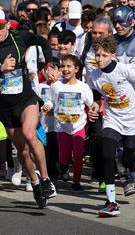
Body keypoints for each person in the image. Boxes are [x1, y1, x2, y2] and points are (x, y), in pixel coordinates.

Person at [0, 8, 55, 208]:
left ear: (6, 25)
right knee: (22, 150)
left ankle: (46, 179)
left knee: (30, 135)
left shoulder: (19, 37)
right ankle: (35, 182)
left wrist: (47, 63)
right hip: (6, 105)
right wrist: (0, 69)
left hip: (26, 98)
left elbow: (44, 42)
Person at [85, 35, 135, 218]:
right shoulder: (94, 76)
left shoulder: (125, 70)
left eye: (104, 55)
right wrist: (94, 107)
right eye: (97, 55)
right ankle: (112, 202)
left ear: (112, 55)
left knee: (127, 159)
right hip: (112, 119)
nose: (99, 59)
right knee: (106, 154)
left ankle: (130, 165)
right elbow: (97, 97)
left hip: (133, 119)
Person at [44, 53, 94, 191]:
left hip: (78, 125)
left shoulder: (83, 87)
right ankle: (63, 166)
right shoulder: (56, 86)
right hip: (61, 126)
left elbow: (92, 104)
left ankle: (76, 182)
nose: (65, 69)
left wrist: (94, 110)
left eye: (69, 66)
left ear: (76, 69)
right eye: (62, 66)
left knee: (78, 155)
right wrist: (48, 105)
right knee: (65, 156)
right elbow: (51, 100)